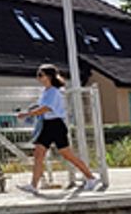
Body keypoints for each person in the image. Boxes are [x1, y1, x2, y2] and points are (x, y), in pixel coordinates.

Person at [17, 64, 100, 194]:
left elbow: (46, 108)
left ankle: (91, 178)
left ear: (49, 76)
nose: (38, 78)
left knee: (67, 155)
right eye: (38, 75)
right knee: (38, 154)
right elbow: (41, 107)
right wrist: (32, 110)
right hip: (47, 124)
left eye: (41, 75)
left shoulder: (54, 91)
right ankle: (33, 185)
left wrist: (28, 114)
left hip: (56, 125)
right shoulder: (46, 91)